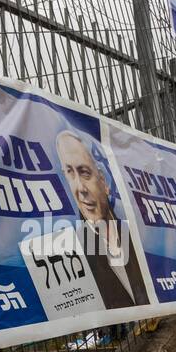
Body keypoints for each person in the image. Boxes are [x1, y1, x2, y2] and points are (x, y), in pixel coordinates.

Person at [54, 130, 149, 309]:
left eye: (84, 173)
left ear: (104, 182)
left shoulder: (137, 233)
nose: (80, 188)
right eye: (70, 173)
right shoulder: (72, 249)